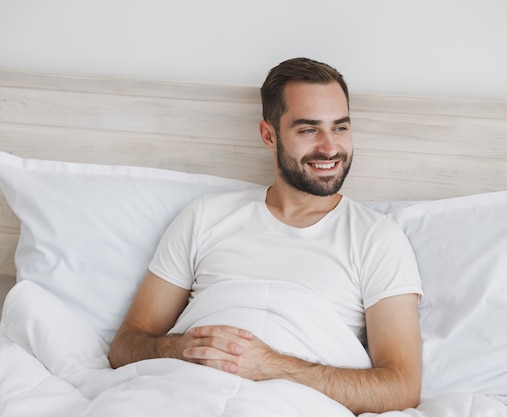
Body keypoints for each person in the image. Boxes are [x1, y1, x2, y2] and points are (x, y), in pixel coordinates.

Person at [108, 57, 423, 415]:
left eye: (340, 128)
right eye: (308, 130)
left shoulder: (377, 238)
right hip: (182, 393)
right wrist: (180, 349)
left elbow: (400, 388)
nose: (330, 147)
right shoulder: (205, 216)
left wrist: (273, 367)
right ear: (269, 135)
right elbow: (125, 345)